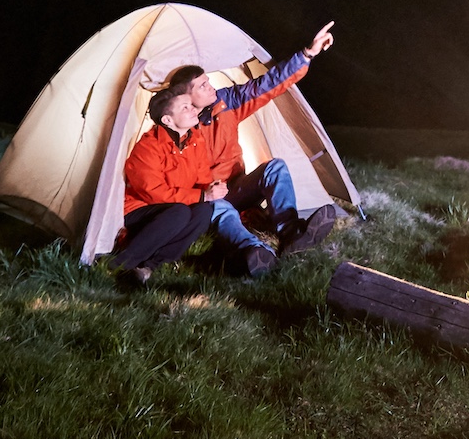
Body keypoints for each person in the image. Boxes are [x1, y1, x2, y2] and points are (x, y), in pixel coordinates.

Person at [108, 20, 342, 286]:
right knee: (218, 206)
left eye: (209, 82)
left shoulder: (225, 103)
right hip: (206, 199)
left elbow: (268, 85)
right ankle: (255, 251)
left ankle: (291, 233)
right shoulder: (182, 131)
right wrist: (203, 195)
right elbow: (166, 184)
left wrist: (307, 54)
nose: (212, 88)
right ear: (185, 99)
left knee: (275, 167)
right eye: (203, 86)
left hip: (234, 187)